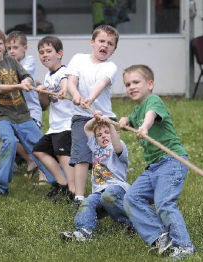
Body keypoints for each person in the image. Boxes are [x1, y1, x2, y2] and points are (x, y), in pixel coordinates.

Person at [119, 65, 196, 260]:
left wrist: (144, 127)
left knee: (164, 202)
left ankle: (185, 247)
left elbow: (150, 114)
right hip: (152, 167)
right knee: (131, 198)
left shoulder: (154, 101)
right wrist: (125, 119)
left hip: (171, 160)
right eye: (128, 84)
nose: (131, 87)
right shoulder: (136, 111)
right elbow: (135, 117)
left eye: (136, 82)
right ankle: (160, 237)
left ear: (150, 84)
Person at [0, 28, 56, 196]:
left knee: (40, 146)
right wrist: (19, 86)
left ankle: (59, 183)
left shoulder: (11, 62)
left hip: (22, 114)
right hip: (2, 116)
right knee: (10, 143)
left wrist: (27, 80)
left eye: (0, 43)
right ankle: (0, 187)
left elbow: (26, 75)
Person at [67, 25, 119, 209]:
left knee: (107, 157)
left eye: (110, 43)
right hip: (82, 117)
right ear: (92, 42)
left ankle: (109, 192)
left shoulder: (110, 66)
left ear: (114, 49)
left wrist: (90, 98)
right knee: (81, 157)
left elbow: (101, 83)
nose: (105, 45)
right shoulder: (78, 59)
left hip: (105, 118)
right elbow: (71, 81)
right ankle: (79, 199)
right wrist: (74, 94)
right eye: (101, 41)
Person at [59, 113, 131, 241]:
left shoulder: (118, 146)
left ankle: (130, 223)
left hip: (117, 188)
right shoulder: (96, 148)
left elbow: (117, 145)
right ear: (96, 139)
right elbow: (87, 128)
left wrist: (109, 123)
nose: (103, 135)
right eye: (99, 134)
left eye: (107, 132)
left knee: (108, 196)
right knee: (86, 202)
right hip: (99, 191)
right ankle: (84, 231)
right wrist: (95, 119)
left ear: (115, 134)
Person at [33, 36, 75, 198]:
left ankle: (73, 190)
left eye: (48, 51)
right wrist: (42, 92)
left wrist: (63, 91)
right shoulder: (47, 76)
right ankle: (62, 184)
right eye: (41, 52)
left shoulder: (64, 72)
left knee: (63, 156)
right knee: (39, 150)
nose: (44, 55)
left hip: (66, 125)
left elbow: (65, 84)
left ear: (59, 53)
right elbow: (45, 104)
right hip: (55, 126)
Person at [5, 30, 47, 185]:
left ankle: (44, 173)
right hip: (14, 111)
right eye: (8, 48)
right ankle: (31, 160)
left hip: (30, 110)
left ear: (25, 48)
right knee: (10, 138)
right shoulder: (6, 62)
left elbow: (20, 77)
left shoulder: (29, 61)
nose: (11, 51)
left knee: (35, 142)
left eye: (15, 47)